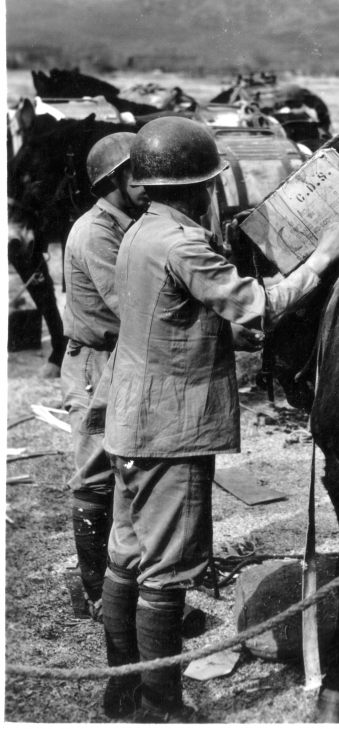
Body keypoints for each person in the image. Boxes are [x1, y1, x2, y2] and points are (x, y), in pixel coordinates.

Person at [99, 117, 339, 722]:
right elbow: (257, 306)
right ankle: (158, 705)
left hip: (132, 421)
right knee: (166, 570)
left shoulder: (142, 233)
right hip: (172, 427)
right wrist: (323, 257)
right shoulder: (184, 244)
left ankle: (121, 689)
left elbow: (194, 316)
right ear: (200, 186)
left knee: (127, 553)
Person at [60, 132, 148, 622]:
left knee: (122, 472)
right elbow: (128, 304)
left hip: (116, 357)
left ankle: (116, 583)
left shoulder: (125, 223)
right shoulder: (97, 231)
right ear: (113, 180)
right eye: (137, 175)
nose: (147, 184)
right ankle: (95, 592)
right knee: (94, 475)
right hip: (96, 361)